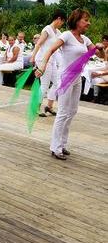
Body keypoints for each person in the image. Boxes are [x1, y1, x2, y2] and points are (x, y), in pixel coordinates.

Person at [35, 9, 101, 160]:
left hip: (77, 78)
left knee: (72, 111)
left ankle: (62, 144)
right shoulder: (66, 35)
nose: (88, 23)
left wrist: (100, 48)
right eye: (85, 20)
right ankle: (55, 147)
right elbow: (51, 49)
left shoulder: (85, 39)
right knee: (63, 112)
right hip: (65, 77)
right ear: (77, 21)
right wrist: (43, 65)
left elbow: (100, 55)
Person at [30, 10, 67, 117]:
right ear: (58, 18)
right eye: (62, 21)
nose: (62, 24)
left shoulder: (58, 32)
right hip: (43, 60)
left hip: (52, 61)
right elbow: (38, 44)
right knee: (45, 85)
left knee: (57, 83)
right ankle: (35, 108)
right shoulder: (47, 29)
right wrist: (33, 56)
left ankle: (49, 107)